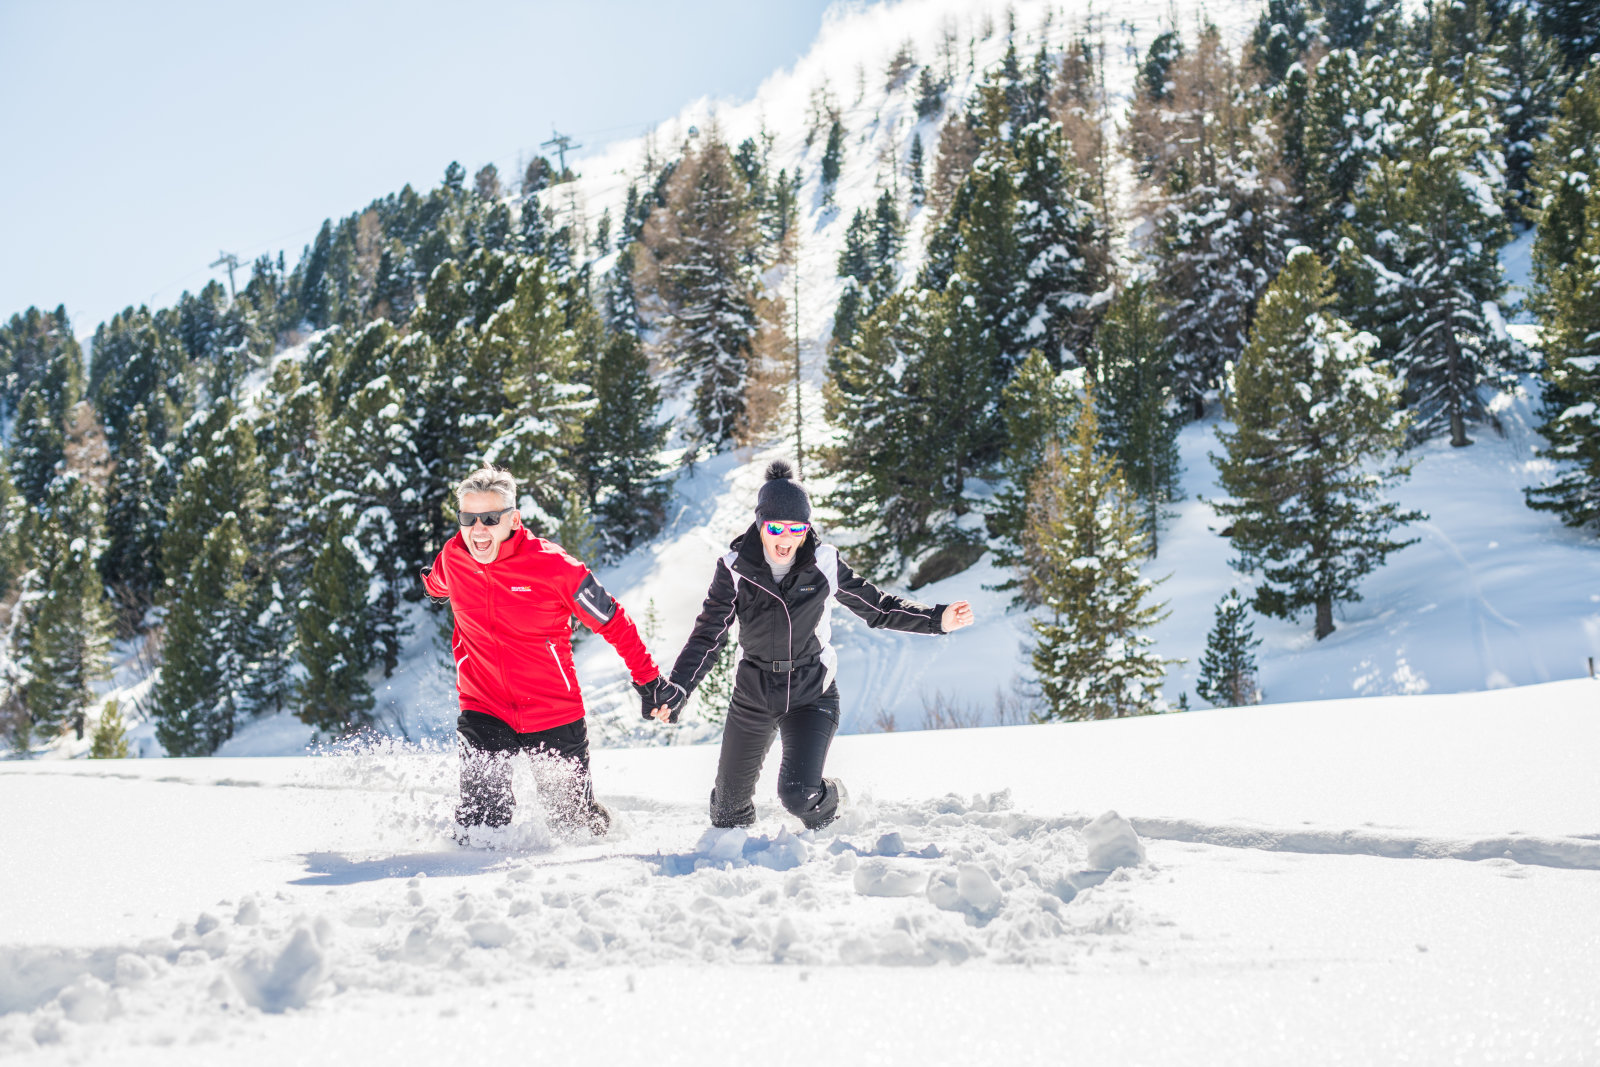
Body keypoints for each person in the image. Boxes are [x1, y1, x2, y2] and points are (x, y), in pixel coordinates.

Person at [652, 460, 975, 830]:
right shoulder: (733, 569)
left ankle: (834, 801)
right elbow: (709, 635)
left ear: (807, 529)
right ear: (760, 525)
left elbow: (878, 608)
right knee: (727, 814)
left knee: (799, 796)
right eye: (775, 527)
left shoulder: (824, 563)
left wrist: (937, 619)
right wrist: (677, 688)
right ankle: (739, 857)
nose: (785, 539)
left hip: (811, 693)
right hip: (753, 695)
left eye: (797, 529)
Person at [421, 465, 678, 839]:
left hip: (552, 710)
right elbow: (439, 582)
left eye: (490, 518)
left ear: (513, 520)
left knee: (574, 826)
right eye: (468, 517)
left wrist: (648, 679)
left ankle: (609, 832)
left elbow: (613, 620)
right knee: (481, 824)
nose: (478, 529)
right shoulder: (454, 556)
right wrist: (431, 584)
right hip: (484, 706)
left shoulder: (555, 567)